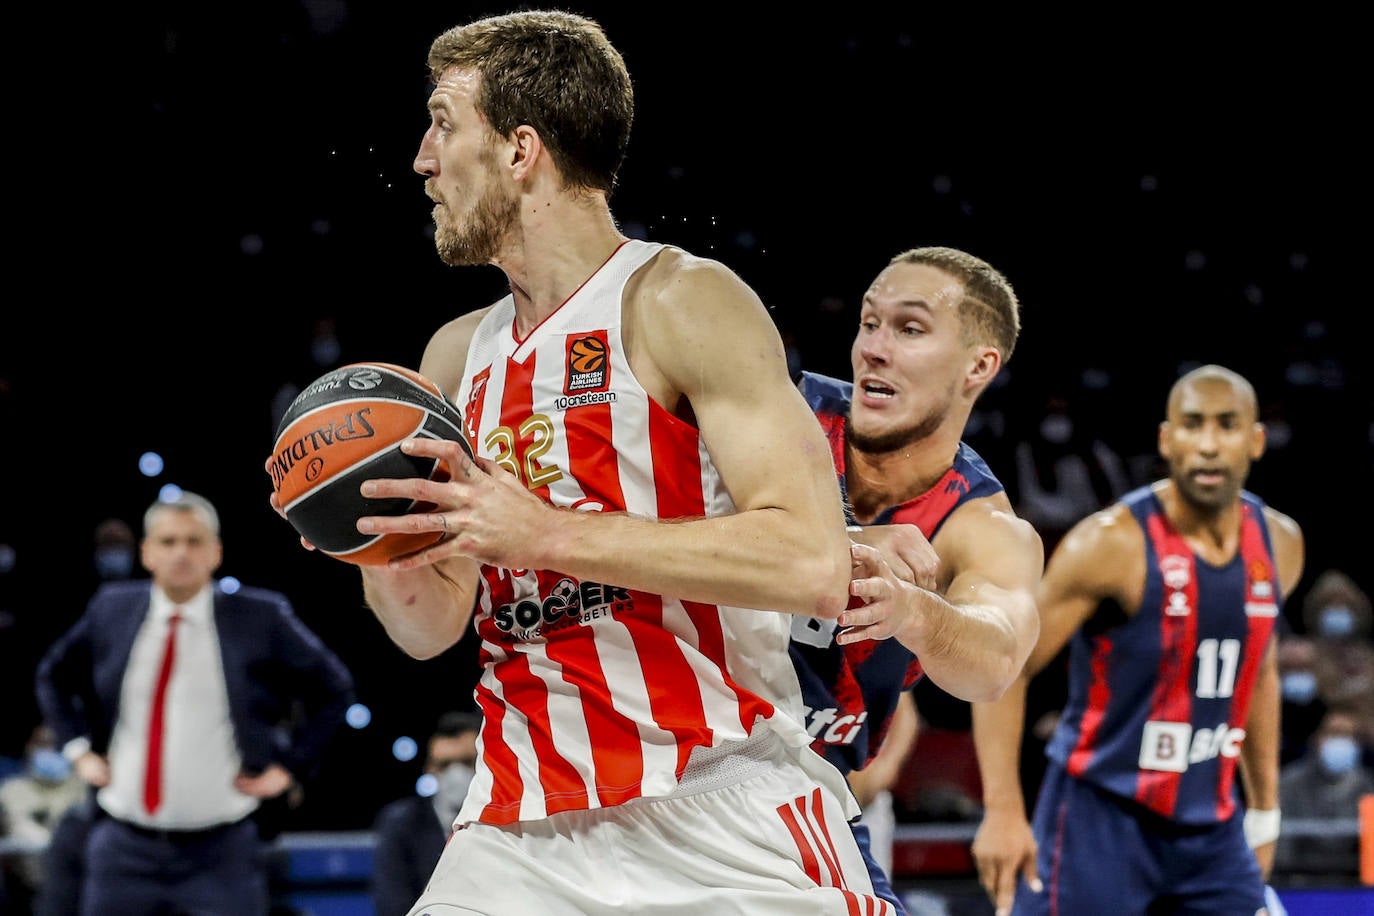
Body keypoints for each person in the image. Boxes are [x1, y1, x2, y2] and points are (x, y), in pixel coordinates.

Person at [269, 10, 907, 914]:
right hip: (518, 825)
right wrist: (371, 543)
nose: (421, 158)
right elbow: (426, 632)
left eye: (444, 124)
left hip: (714, 801)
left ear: (522, 148)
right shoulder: (455, 357)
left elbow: (810, 565)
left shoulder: (682, 300)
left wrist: (545, 533)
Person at [969, 364, 1305, 916]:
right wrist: (1003, 809)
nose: (1209, 445)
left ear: (1256, 439)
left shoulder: (1280, 544)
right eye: (1193, 426)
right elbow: (1008, 665)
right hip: (1099, 817)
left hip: (1211, 826)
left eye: (1226, 425)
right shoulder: (1110, 544)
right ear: (1166, 440)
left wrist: (1265, 809)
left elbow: (1258, 672)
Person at [790, 245, 1044, 910]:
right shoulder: (782, 417)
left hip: (807, 791)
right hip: (662, 748)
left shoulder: (983, 527)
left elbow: (995, 661)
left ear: (978, 366)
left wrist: (918, 614)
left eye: (908, 329)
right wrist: (841, 545)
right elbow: (677, 524)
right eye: (869, 323)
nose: (873, 348)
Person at [35, 490, 356, 916]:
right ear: (147, 552)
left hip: (222, 852)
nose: (181, 553)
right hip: (122, 845)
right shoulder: (112, 609)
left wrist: (289, 768)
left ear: (215, 552)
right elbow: (52, 676)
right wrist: (77, 750)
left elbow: (334, 689)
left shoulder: (260, 616)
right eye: (168, 542)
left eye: (194, 541)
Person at [370, 710, 481, 916]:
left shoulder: (507, 822)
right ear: (430, 768)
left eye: (467, 762)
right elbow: (392, 905)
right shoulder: (401, 823)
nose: (456, 774)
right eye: (444, 764)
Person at [1275, 705, 1374, 880]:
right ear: (1317, 738)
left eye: (1347, 735)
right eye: (1333, 733)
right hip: (1297, 880)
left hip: (1353, 882)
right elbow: (1282, 845)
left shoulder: (1367, 785)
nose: (1340, 741)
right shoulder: (1290, 782)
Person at [0, 723, 89, 905]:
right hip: (25, 884)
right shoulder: (12, 790)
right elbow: (18, 827)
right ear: (29, 747)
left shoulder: (84, 790)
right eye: (41, 744)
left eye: (55, 745)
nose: (49, 751)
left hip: (76, 883)